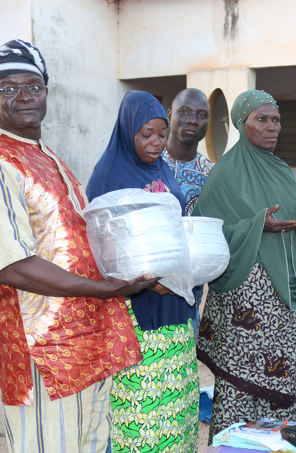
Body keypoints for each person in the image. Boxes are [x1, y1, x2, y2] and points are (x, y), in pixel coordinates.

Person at [0, 40, 157, 453]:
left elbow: (76, 241)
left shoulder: (48, 156)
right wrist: (106, 289)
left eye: (33, 86)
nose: (23, 96)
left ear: (47, 92)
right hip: (40, 349)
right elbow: (12, 266)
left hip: (86, 338)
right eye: (7, 88)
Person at [193, 90, 296, 443]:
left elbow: (286, 220)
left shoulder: (280, 169)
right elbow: (204, 231)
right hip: (245, 299)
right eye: (261, 120)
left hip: (285, 298)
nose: (271, 127)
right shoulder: (225, 174)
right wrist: (255, 226)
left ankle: (276, 446)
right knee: (240, 387)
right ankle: (236, 446)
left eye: (276, 120)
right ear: (241, 122)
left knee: (284, 382)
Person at [86, 90, 200, 453]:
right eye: (145, 134)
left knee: (177, 410)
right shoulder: (109, 175)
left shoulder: (162, 168)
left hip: (175, 306)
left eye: (161, 133)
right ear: (127, 131)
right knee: (145, 416)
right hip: (137, 314)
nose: (156, 142)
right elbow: (103, 250)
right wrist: (149, 283)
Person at [161, 88, 213, 333]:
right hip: (141, 287)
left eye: (202, 115)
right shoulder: (147, 161)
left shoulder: (212, 175)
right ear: (170, 115)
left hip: (189, 291)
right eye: (184, 112)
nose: (193, 119)